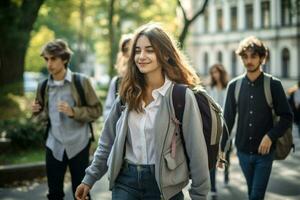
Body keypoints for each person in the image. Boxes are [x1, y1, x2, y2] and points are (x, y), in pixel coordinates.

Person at [75, 23, 210, 200]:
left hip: (164, 187)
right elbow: (107, 140)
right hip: (125, 181)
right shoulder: (127, 93)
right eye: (137, 51)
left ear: (165, 54)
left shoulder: (181, 97)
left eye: (149, 50)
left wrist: (199, 195)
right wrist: (89, 179)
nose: (141, 56)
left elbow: (196, 150)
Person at [219, 36, 293, 200]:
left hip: (265, 153)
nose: (249, 60)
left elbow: (287, 117)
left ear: (261, 57)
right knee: (252, 192)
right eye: (245, 56)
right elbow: (227, 120)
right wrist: (221, 149)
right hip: (243, 151)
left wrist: (270, 136)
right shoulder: (234, 86)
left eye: (253, 56)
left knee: (255, 196)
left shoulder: (273, 84)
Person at [32, 39, 102, 200]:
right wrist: (37, 113)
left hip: (78, 143)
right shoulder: (43, 86)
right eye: (46, 59)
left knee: (82, 194)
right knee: (54, 193)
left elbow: (97, 110)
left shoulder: (81, 81)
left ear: (64, 59)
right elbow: (42, 117)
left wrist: (74, 112)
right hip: (54, 144)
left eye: (53, 58)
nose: (49, 63)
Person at [206, 63, 229, 199]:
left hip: (227, 128)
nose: (215, 75)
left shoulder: (228, 88)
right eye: (213, 72)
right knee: (213, 158)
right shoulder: (209, 89)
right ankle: (213, 186)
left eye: (217, 72)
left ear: (221, 73)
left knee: (225, 155)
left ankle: (227, 174)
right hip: (214, 129)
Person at [103, 34, 132, 119]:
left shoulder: (149, 78)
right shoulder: (117, 82)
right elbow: (108, 110)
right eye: (126, 49)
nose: (129, 52)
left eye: (132, 48)